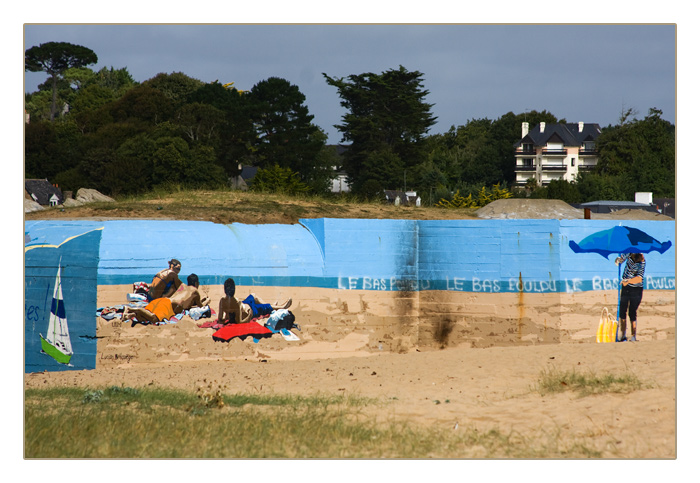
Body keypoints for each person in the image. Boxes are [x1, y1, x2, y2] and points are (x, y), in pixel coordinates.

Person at [124, 273, 209, 324]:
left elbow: (187, 302)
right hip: (168, 306)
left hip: (162, 300)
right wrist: (208, 300)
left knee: (147, 316)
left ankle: (131, 314)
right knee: (154, 319)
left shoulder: (182, 286)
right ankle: (131, 309)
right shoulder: (195, 291)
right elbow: (200, 307)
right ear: (197, 283)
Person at [217, 277, 291, 325]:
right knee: (264, 307)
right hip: (250, 310)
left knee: (253, 295)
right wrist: (249, 315)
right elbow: (240, 322)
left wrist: (227, 317)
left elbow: (220, 319)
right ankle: (282, 307)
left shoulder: (222, 301)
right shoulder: (236, 303)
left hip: (244, 304)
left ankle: (273, 306)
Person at [615, 253, 646, 342]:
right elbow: (621, 259)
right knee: (622, 310)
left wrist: (628, 281)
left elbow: (639, 278)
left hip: (636, 289)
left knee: (632, 312)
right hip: (626, 287)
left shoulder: (642, 261)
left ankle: (633, 336)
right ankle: (623, 334)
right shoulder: (629, 253)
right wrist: (618, 260)